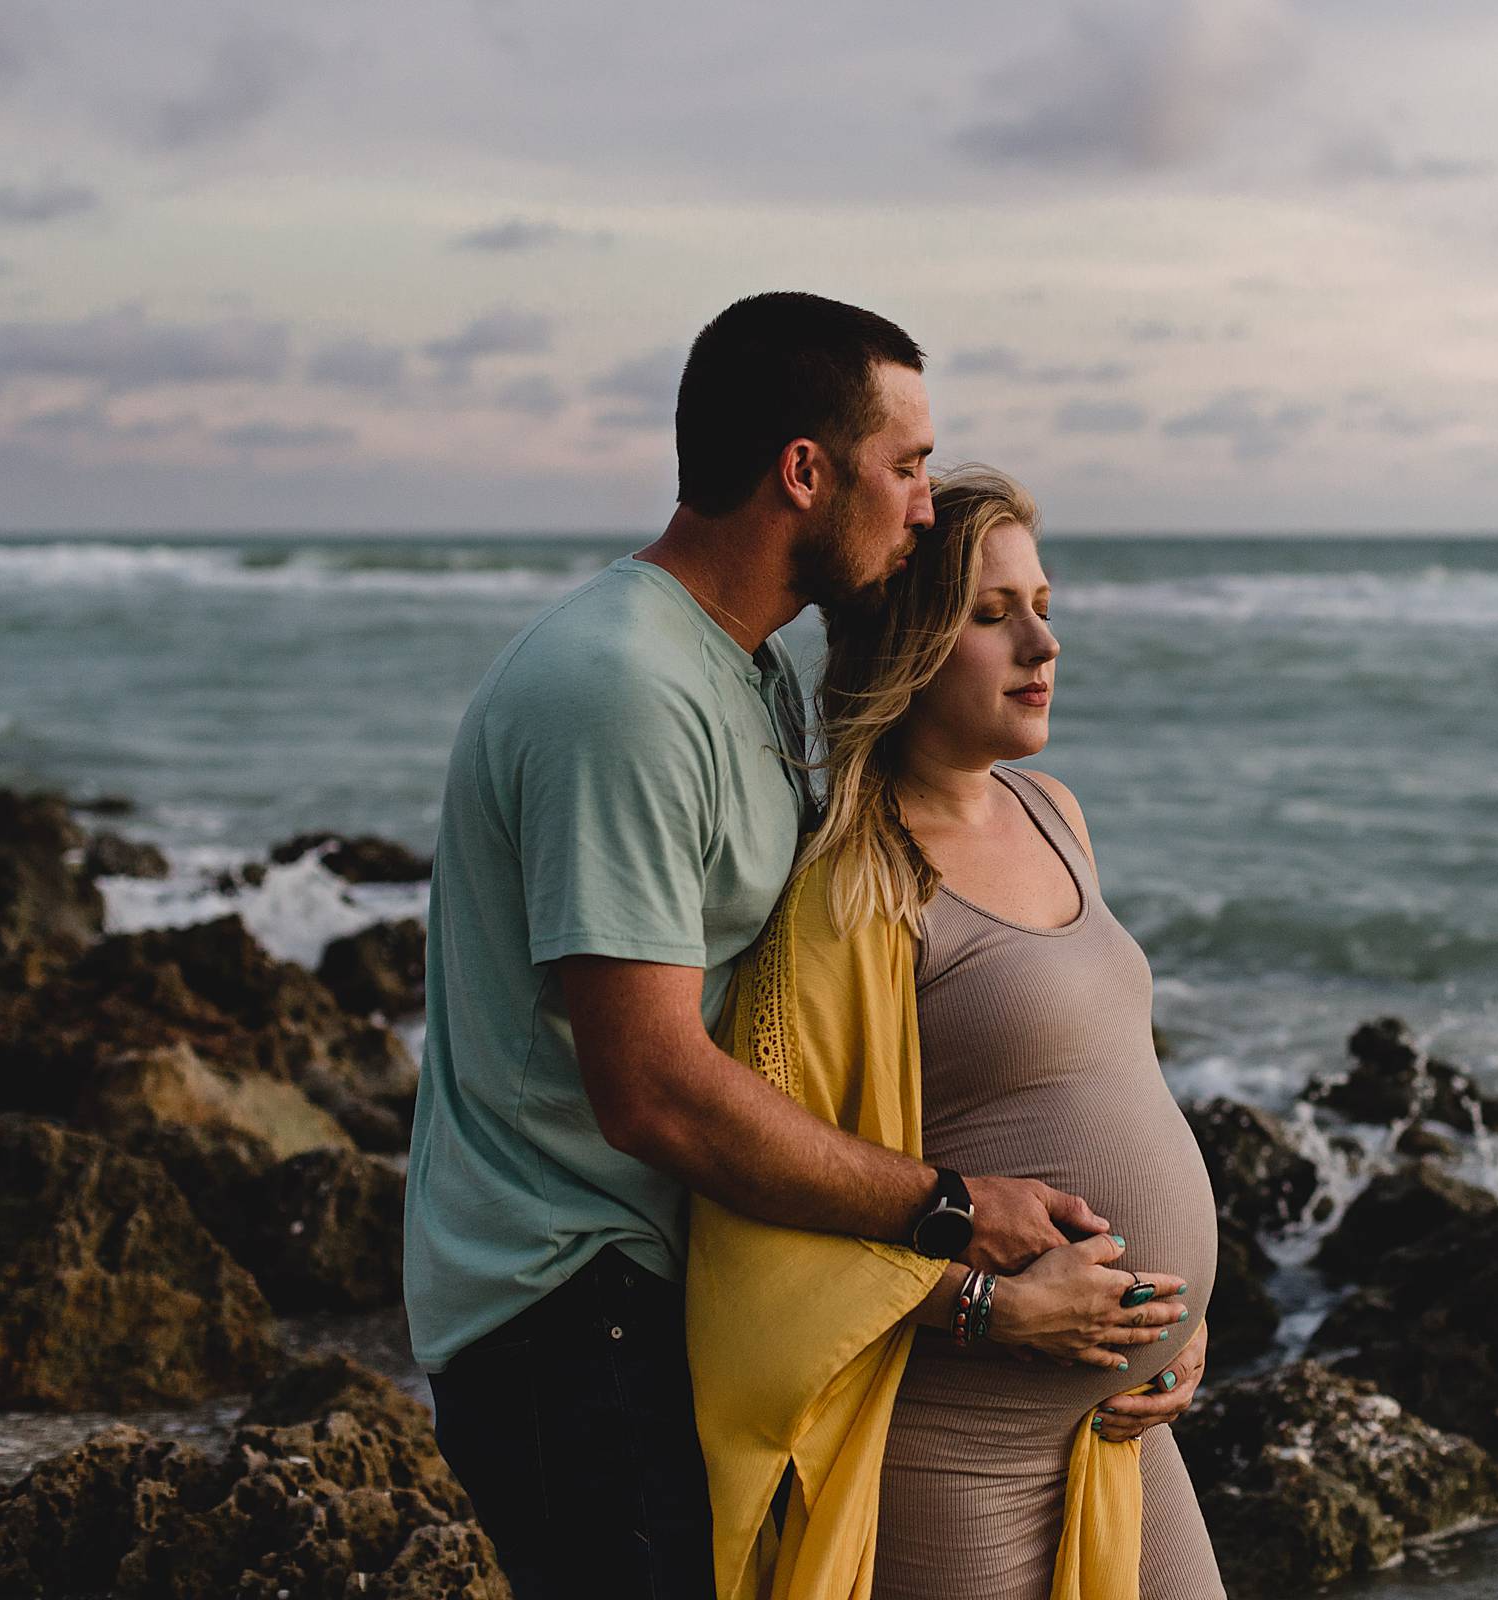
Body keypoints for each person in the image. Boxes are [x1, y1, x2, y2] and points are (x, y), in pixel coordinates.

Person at [402, 293, 1150, 1600]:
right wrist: (956, 1219)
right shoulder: (621, 692)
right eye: (907, 467)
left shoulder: (745, 676)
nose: (924, 506)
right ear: (804, 472)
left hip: (658, 1289)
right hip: (569, 1305)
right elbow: (652, 1091)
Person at [686, 466, 1223, 1600]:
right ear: (911, 643)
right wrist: (988, 1306)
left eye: (1044, 602)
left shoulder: (1053, 812)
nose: (1043, 642)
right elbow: (759, 1207)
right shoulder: (854, 882)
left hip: (1122, 1430)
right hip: (959, 1445)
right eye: (992, 615)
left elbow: (1107, 1077)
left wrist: (1186, 1324)